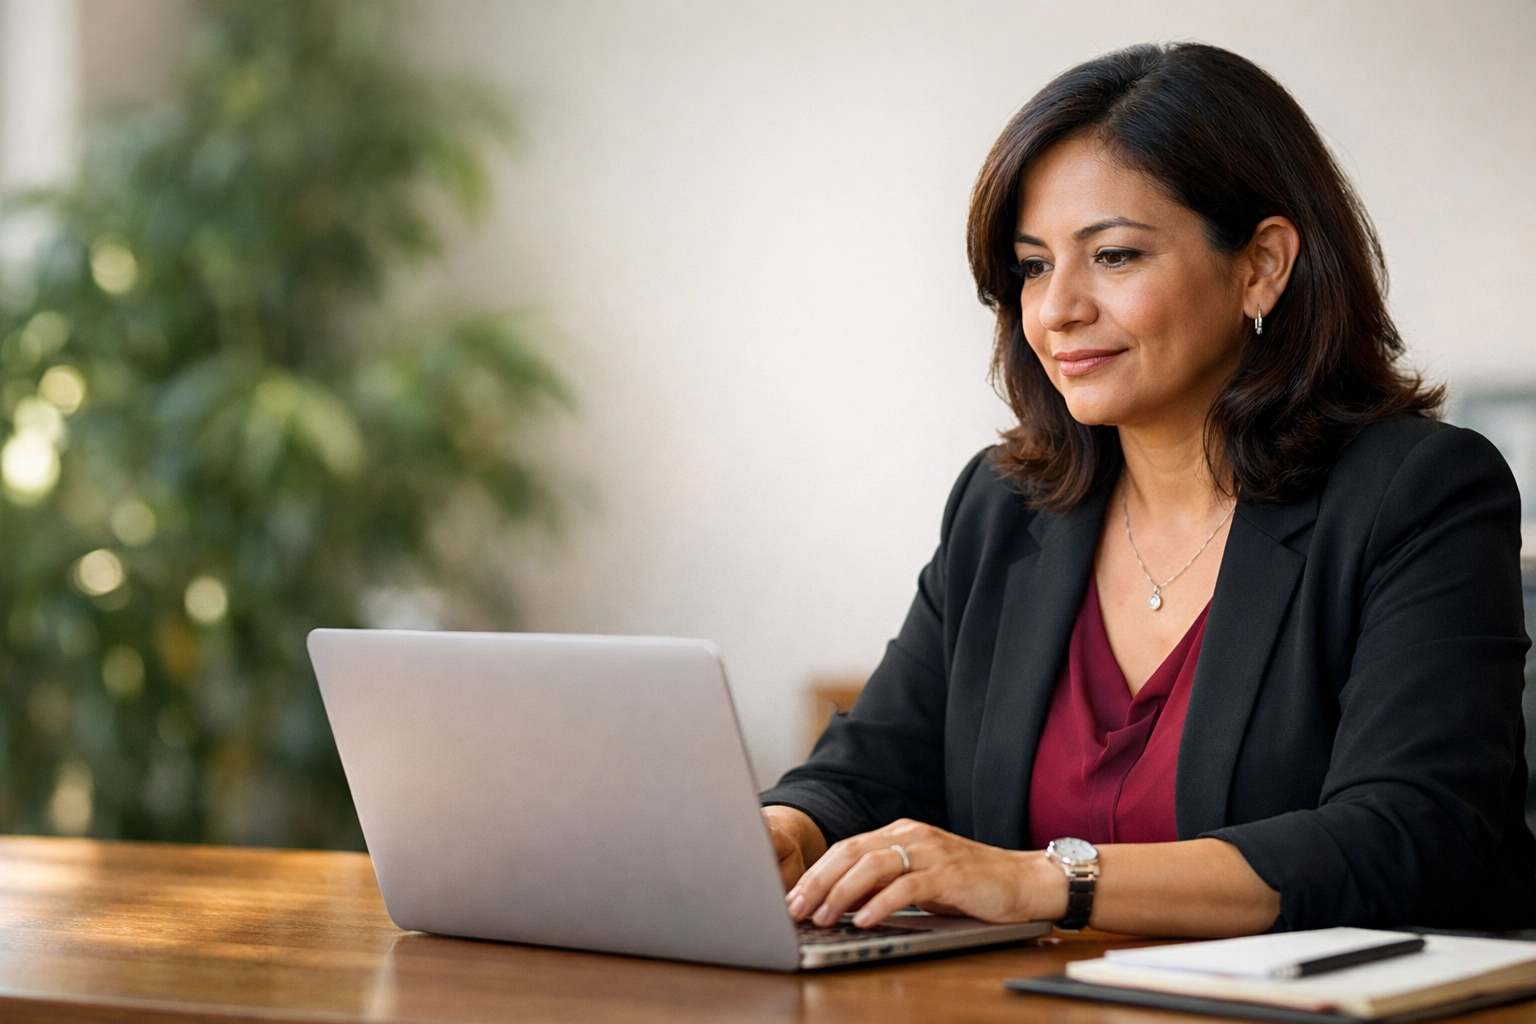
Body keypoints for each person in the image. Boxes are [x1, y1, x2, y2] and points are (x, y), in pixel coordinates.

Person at [759, 41, 1536, 938]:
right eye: (1034, 265)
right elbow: (870, 768)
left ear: (1261, 265)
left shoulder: (1419, 494)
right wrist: (788, 827)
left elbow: (1406, 838)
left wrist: (1043, 880)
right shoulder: (1004, 506)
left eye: (1115, 256)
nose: (1056, 310)